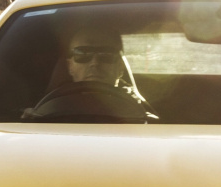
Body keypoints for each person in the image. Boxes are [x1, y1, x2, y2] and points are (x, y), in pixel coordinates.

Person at [21, 28, 157, 122]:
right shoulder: (42, 112)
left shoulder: (139, 111)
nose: (95, 63)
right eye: (83, 54)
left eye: (106, 55)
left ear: (120, 67)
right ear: (70, 66)